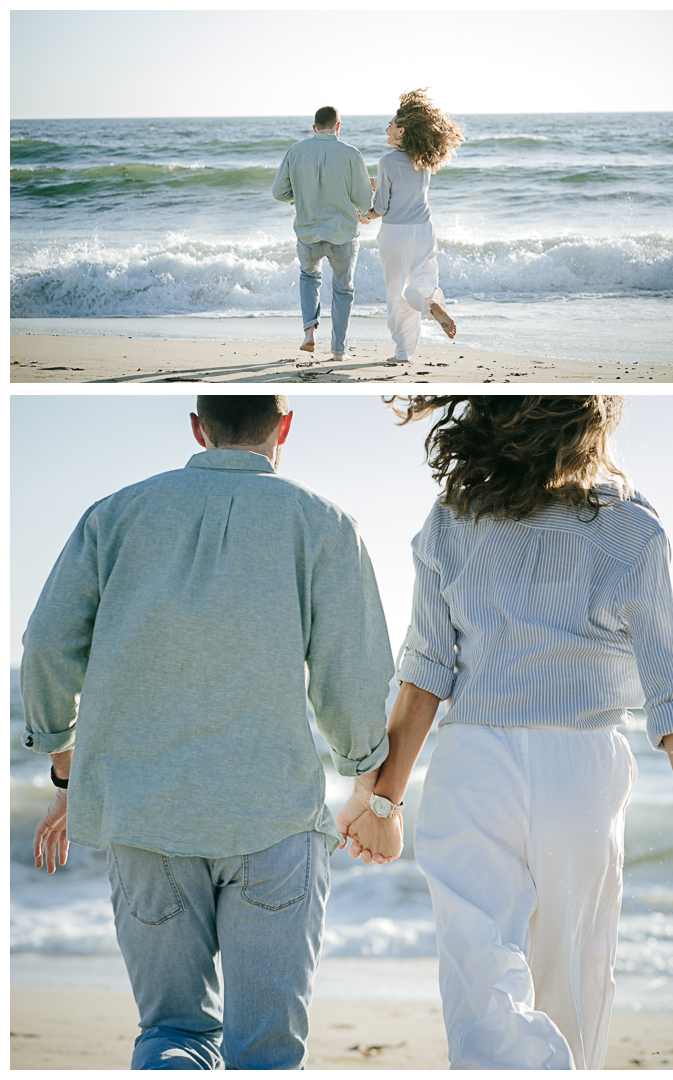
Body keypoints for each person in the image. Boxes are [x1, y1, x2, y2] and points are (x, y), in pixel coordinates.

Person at [23, 395, 395, 1071]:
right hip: (273, 820)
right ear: (284, 427)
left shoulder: (113, 515)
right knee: (267, 1055)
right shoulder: (326, 524)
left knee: (172, 1034)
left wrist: (65, 770)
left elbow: (46, 648)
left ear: (198, 428)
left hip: (143, 816)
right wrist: (371, 788)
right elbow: (355, 682)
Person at [347, 395, 673, 1070]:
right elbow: (669, 685)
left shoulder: (455, 518)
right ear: (589, 430)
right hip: (582, 768)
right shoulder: (635, 530)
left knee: (478, 975)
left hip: (473, 759)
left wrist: (382, 802)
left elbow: (424, 672)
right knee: (572, 979)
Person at [360, 90, 464, 364]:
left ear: (402, 131)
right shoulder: (423, 162)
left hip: (396, 233)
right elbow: (400, 186)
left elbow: (381, 206)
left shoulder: (386, 162)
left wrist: (365, 216)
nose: (387, 128)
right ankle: (431, 303)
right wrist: (373, 181)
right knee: (422, 279)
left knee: (396, 293)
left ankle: (403, 353)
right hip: (424, 229)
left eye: (391, 125)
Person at [272, 106, 373, 363]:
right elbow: (363, 198)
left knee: (309, 277)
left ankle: (309, 333)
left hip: (308, 234)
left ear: (314, 127)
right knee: (343, 290)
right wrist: (363, 212)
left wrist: (303, 197)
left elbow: (279, 192)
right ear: (338, 126)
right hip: (343, 235)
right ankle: (339, 352)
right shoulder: (351, 153)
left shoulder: (296, 151)